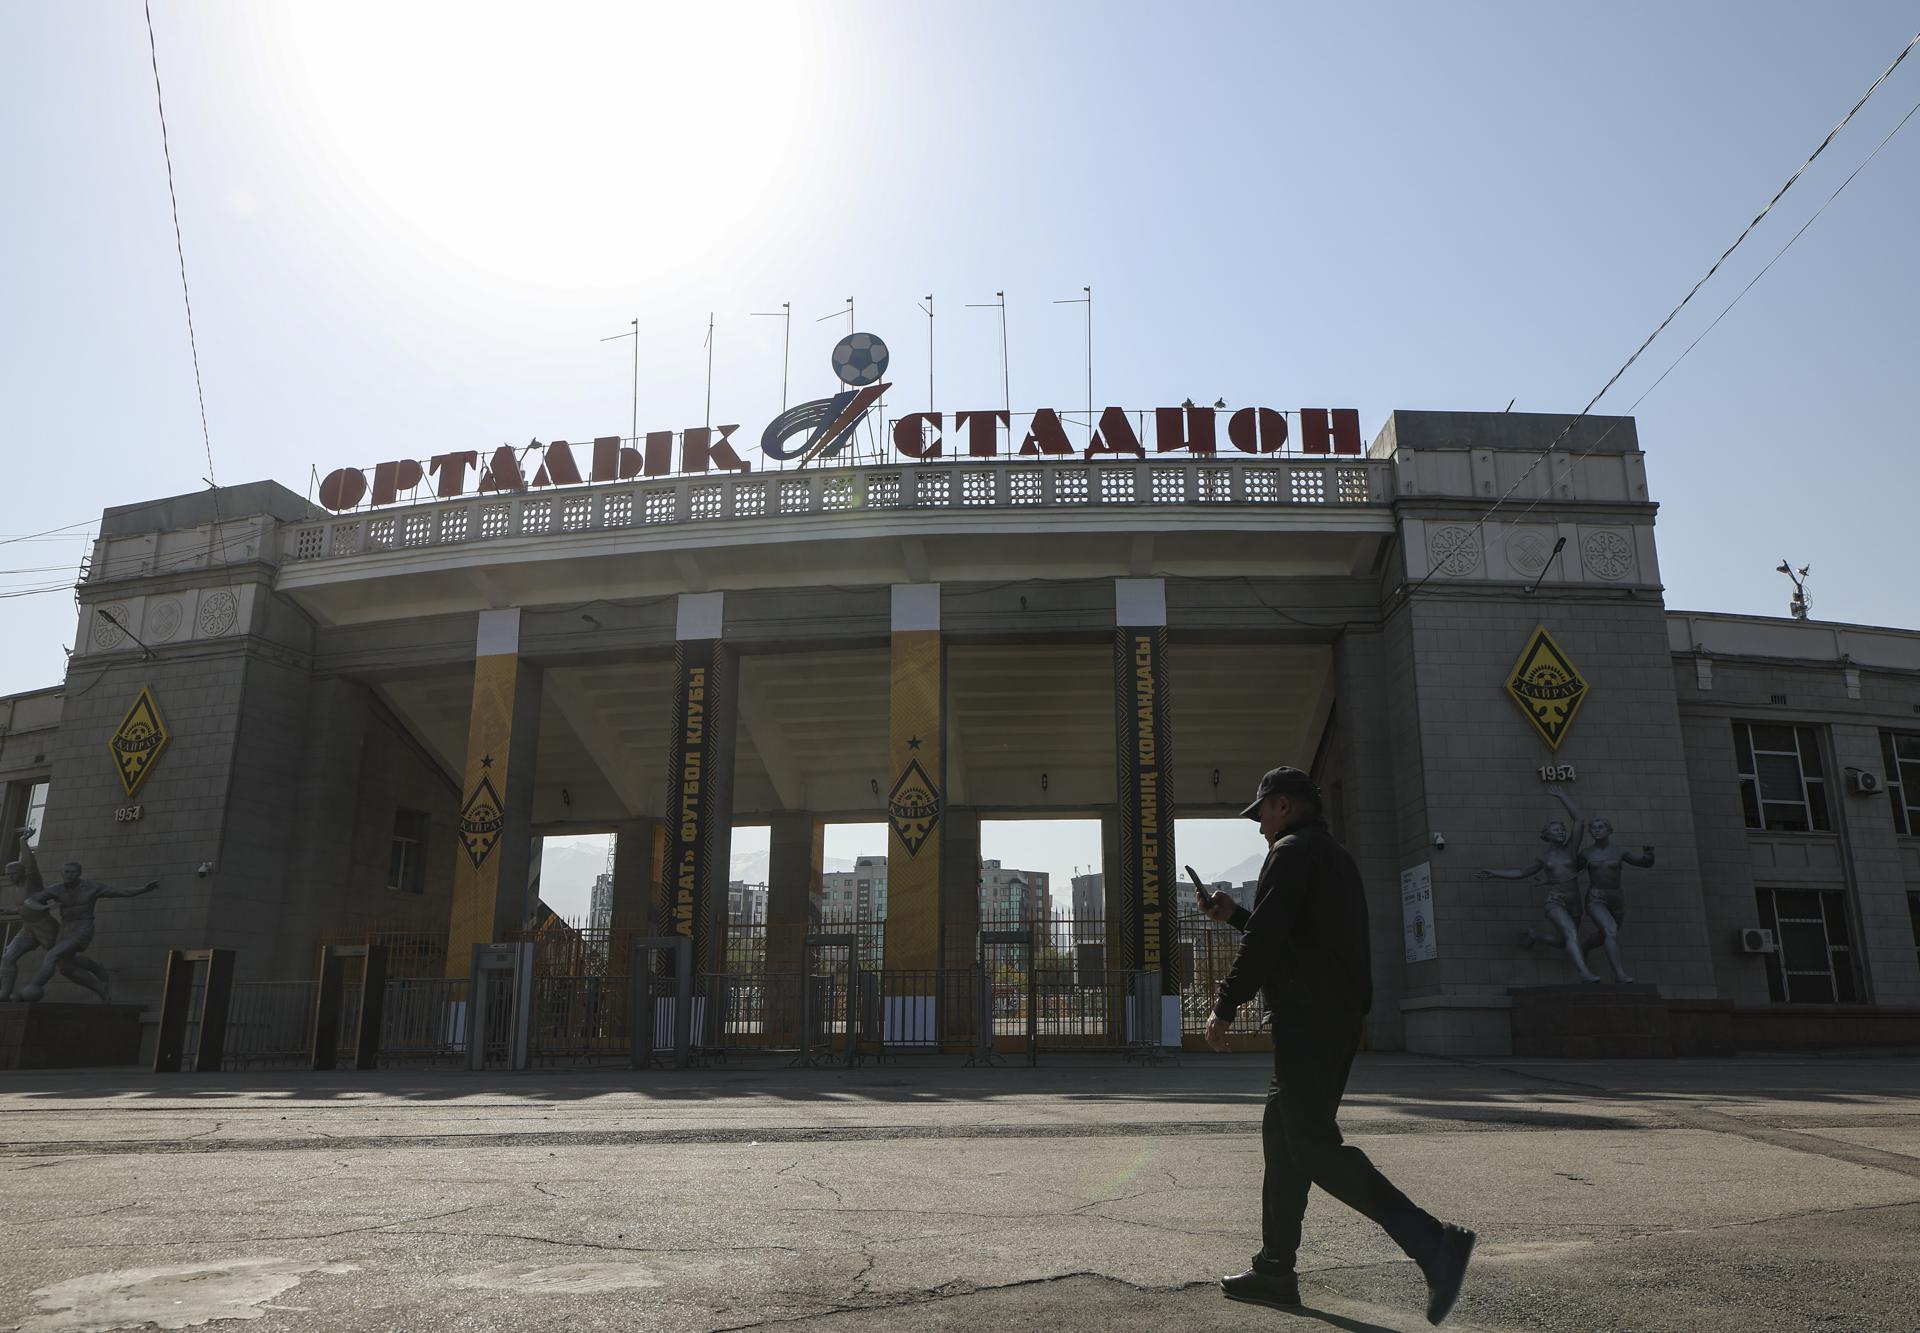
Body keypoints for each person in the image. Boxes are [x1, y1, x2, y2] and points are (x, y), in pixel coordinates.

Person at [1201, 766, 1475, 1325]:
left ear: (1281, 805)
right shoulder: (1330, 855)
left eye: (1261, 817)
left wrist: (1225, 1006)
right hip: (1329, 1016)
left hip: (1310, 1020)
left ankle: (1432, 1242)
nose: (1259, 831)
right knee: (1284, 1141)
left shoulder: (1292, 852)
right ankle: (1275, 1268)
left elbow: (1270, 940)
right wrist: (1233, 915)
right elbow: (1293, 938)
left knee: (1313, 1146)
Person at [1476, 787, 1601, 984]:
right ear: (1547, 835)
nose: (1561, 832)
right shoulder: (1544, 858)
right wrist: (1494, 873)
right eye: (1556, 830)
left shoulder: (1570, 849)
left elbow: (1579, 821)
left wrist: (1563, 796)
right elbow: (1521, 873)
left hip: (1574, 902)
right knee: (1571, 933)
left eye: (1562, 829)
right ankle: (1584, 973)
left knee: (1562, 942)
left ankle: (1535, 936)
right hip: (1556, 901)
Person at [17, 859, 156, 1002]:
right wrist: (41, 907)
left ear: (79, 873)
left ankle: (34, 986)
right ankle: (99, 984)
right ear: (61, 873)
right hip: (65, 928)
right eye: (66, 872)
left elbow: (120, 892)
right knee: (66, 968)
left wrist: (143, 889)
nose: (69, 875)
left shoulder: (91, 887)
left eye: (73, 872)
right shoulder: (56, 889)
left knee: (52, 955)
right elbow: (30, 900)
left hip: (83, 927)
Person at [2, 829, 111, 1002]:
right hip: (28, 929)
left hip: (46, 928)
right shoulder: (17, 888)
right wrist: (10, 911)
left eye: (12, 874)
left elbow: (30, 863)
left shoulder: (32, 879)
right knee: (8, 957)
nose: (10, 878)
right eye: (7, 875)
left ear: (22, 872)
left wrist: (23, 841)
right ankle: (4, 993)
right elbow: (25, 907)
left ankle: (97, 975)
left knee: (66, 965)